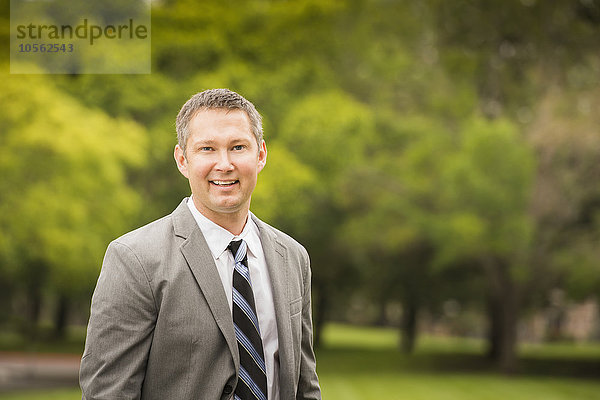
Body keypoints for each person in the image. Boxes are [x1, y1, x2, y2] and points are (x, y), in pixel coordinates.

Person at [79, 89, 321, 400]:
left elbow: (305, 386)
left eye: (238, 147)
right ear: (183, 159)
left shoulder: (293, 257)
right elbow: (108, 394)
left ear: (260, 155)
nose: (224, 164)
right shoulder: (134, 259)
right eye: (207, 148)